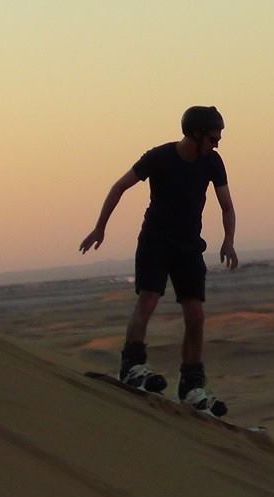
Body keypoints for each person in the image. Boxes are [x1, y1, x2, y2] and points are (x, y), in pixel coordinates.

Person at [79, 105, 237, 416]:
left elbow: (226, 206)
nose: (217, 143)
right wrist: (100, 227)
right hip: (155, 242)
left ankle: (192, 384)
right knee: (148, 299)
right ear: (195, 133)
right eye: (213, 137)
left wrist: (228, 240)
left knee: (196, 315)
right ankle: (133, 367)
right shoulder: (159, 157)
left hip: (189, 247)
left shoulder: (213, 162)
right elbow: (120, 186)